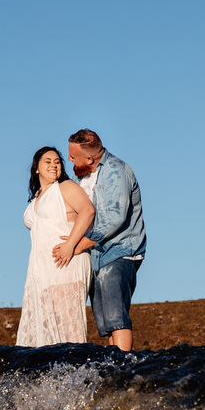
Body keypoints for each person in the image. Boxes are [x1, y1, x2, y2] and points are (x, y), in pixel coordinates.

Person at [59, 129, 146, 352]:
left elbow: (115, 217)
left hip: (119, 251)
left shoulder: (116, 171)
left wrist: (77, 245)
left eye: (73, 156)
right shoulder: (82, 176)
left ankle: (124, 364)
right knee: (107, 324)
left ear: (89, 158)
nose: (69, 159)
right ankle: (114, 364)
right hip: (96, 255)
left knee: (117, 317)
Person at [15, 146, 95, 347]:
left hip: (66, 262)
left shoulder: (66, 187)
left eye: (57, 162)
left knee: (69, 325)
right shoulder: (36, 197)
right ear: (36, 168)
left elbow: (88, 211)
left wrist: (70, 244)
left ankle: (76, 364)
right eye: (48, 161)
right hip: (42, 270)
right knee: (47, 328)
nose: (54, 165)